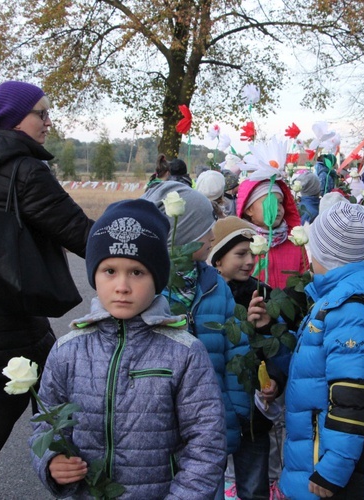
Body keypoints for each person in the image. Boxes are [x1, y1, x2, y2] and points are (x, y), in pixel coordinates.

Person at [0, 81, 93, 499]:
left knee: (37, 389)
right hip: (1, 297)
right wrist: (133, 255)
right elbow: (77, 231)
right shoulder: (24, 168)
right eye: (40, 113)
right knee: (37, 391)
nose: (49, 122)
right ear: (14, 119)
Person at [30, 199, 226, 498]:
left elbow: (206, 443)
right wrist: (50, 462)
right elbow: (45, 428)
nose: (122, 286)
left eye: (137, 272)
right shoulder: (67, 350)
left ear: (158, 278)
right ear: (94, 274)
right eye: (109, 271)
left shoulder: (184, 353)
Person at [280, 201, 364, 500]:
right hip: (317, 455)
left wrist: (333, 469)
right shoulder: (338, 301)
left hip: (333, 473)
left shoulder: (350, 312)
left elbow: (353, 398)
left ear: (322, 253)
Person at [141, 181, 251, 499]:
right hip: (160, 425)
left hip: (211, 421)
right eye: (206, 231)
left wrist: (239, 409)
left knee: (207, 486)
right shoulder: (151, 290)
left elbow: (236, 351)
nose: (213, 238)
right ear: (184, 236)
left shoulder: (215, 284)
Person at [208, 216, 287, 499]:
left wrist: (275, 380)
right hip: (215, 409)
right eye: (240, 254)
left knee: (254, 486)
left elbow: (277, 350)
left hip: (255, 413)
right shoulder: (205, 298)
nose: (249, 260)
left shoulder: (262, 294)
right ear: (217, 259)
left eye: (252, 253)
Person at [236, 175, 308, 289]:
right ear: (249, 209)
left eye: (280, 202)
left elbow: (304, 276)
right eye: (270, 202)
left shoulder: (294, 241)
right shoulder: (240, 245)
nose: (277, 208)